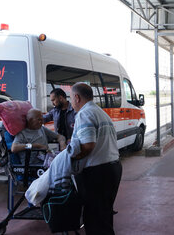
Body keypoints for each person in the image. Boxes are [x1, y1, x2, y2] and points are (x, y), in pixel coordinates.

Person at [70, 82, 122, 235]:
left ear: (77, 97)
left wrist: (72, 159)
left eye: (71, 98)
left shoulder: (84, 114)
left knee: (94, 219)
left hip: (97, 172)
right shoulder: (99, 112)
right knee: (104, 215)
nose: (71, 103)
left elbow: (88, 144)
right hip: (112, 168)